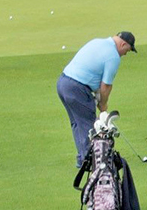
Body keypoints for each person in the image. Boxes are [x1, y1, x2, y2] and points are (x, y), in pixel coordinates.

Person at [56, 32, 137, 168]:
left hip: (63, 83)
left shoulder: (98, 42)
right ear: (123, 44)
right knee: (89, 125)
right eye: (127, 50)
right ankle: (92, 161)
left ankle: (83, 158)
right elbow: (106, 85)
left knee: (77, 123)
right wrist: (103, 105)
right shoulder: (113, 56)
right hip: (77, 88)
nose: (125, 54)